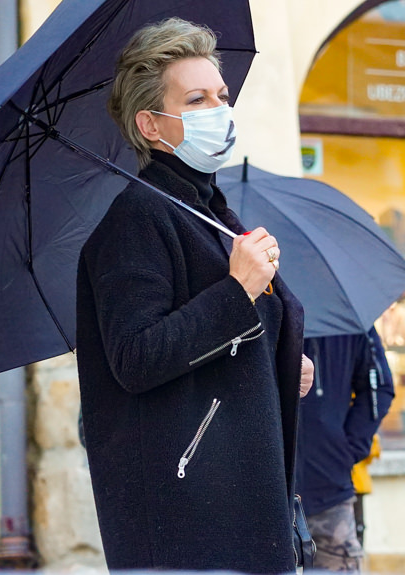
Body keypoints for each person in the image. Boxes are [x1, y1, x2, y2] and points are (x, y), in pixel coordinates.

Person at [76, 19, 313, 572]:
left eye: (222, 96)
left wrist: (283, 362)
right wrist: (237, 290)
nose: (219, 110)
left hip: (239, 500)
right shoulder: (137, 217)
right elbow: (136, 357)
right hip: (188, 518)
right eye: (198, 99)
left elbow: (225, 348)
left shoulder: (211, 213)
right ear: (151, 124)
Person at [296, 327, 394, 572]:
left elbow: (378, 386)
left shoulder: (348, 316)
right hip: (258, 489)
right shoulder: (255, 300)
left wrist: (347, 449)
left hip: (329, 489)